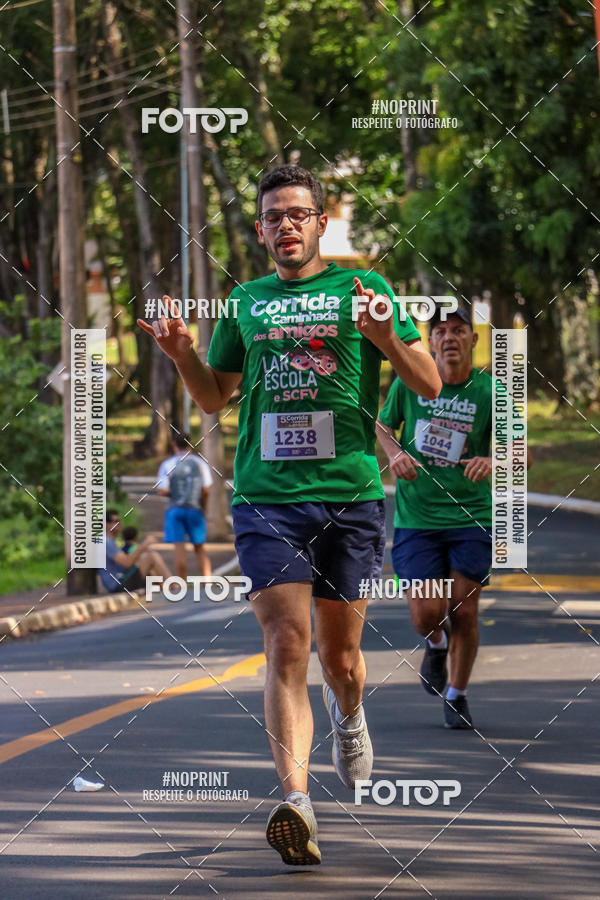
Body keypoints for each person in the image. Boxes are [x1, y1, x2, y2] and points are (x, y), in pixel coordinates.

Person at [138, 164, 441, 866]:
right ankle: (297, 803)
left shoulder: (362, 290)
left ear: (320, 223)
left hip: (351, 492)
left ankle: (351, 713)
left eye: (297, 214)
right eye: (273, 216)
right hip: (266, 494)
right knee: (285, 644)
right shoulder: (246, 301)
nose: (285, 226)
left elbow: (425, 381)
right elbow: (214, 398)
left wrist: (386, 338)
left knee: (342, 659)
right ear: (259, 230)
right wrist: (183, 352)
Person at [377, 307, 532, 730]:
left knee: (464, 608)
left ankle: (457, 695)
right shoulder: (410, 384)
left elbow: (524, 454)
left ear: (472, 340)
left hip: (472, 517)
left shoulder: (490, 392)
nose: (449, 338)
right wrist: (395, 455)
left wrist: (493, 459)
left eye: (458, 331)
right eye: (440, 331)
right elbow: (384, 426)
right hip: (418, 517)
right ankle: (436, 643)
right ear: (430, 342)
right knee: (426, 613)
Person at [156, 433, 213, 579]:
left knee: (179, 548)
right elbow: (206, 489)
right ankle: (207, 582)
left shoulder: (168, 464)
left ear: (173, 445)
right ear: (190, 444)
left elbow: (162, 490)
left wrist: (176, 494)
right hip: (195, 508)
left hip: (175, 509)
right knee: (199, 547)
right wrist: (203, 506)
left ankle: (182, 583)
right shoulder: (199, 463)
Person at [99, 510, 171, 593]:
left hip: (122, 580)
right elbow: (127, 563)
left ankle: (169, 589)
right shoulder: (105, 541)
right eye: (116, 521)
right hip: (118, 585)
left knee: (149, 563)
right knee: (151, 556)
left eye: (120, 520)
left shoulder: (109, 541)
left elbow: (125, 563)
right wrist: (144, 545)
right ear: (106, 524)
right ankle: (173, 587)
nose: (120, 523)